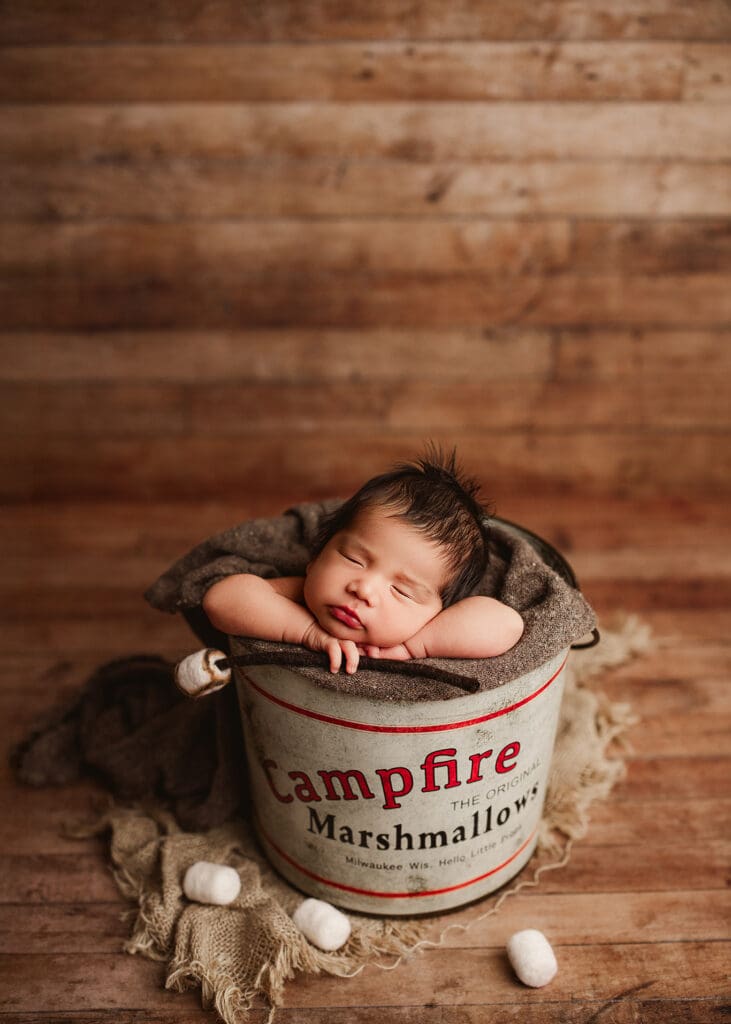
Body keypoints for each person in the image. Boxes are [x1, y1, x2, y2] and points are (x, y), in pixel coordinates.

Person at [203, 449, 524, 674]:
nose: (364, 589)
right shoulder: (299, 595)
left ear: (436, 612)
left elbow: (507, 624)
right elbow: (222, 599)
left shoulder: (425, 630)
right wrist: (308, 633)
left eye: (402, 591)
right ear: (317, 555)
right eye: (353, 559)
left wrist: (414, 648)